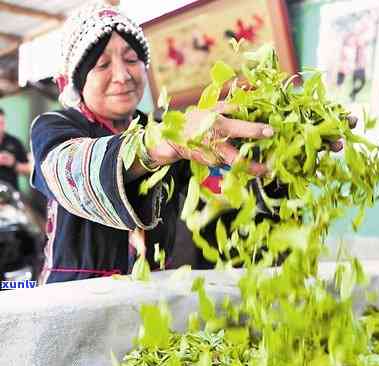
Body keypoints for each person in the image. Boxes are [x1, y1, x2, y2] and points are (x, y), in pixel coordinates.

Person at [30, 2, 273, 285]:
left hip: (153, 293)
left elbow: (218, 192)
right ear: (79, 81)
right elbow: (68, 171)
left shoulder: (162, 126)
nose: (122, 76)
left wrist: (268, 157)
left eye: (132, 60)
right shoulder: (54, 126)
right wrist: (158, 145)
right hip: (77, 296)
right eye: (103, 65)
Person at [0, 108, 31, 193]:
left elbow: (29, 168)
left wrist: (13, 163)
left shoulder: (15, 142)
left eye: (1, 123)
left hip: (11, 194)